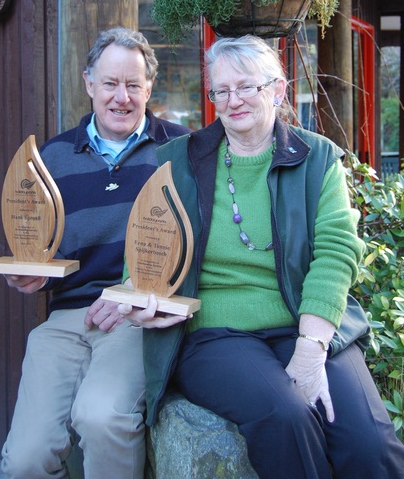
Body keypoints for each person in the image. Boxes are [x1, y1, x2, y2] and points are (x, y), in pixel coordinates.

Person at [118, 35, 404, 478]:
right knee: (287, 418)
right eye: (221, 90)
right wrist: (143, 301)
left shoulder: (316, 158)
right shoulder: (181, 161)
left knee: (369, 442)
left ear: (277, 89)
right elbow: (144, 245)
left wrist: (311, 350)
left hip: (305, 322)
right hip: (216, 334)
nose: (233, 100)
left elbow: (336, 250)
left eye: (247, 86)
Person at [1, 27, 188, 479]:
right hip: (66, 318)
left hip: (137, 315)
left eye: (132, 85)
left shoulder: (181, 151)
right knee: (26, 458)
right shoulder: (54, 156)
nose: (121, 98)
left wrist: (130, 293)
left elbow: (197, 248)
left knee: (102, 417)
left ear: (148, 89)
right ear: (89, 84)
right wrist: (33, 272)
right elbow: (46, 246)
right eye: (109, 84)